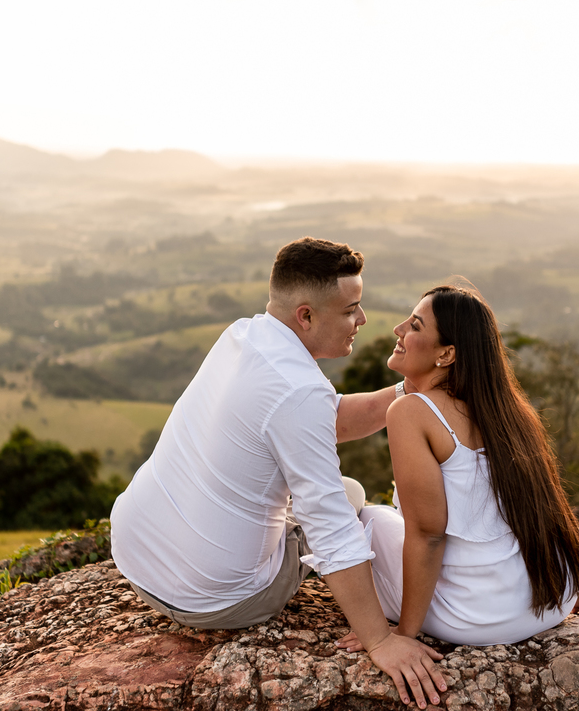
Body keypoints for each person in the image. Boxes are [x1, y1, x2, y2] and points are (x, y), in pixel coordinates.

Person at [111, 237, 446, 709]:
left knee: (334, 490)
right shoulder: (298, 390)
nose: (363, 320)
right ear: (306, 315)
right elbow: (329, 524)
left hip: (136, 555)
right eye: (351, 309)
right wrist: (380, 641)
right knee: (348, 499)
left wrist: (407, 389)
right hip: (216, 600)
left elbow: (323, 418)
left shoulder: (245, 336)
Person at [339, 284, 579, 650]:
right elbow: (550, 507)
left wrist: (402, 636)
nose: (399, 329)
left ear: (447, 354)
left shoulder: (411, 412)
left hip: (476, 618)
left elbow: (428, 535)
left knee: (363, 518)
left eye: (416, 326)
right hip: (551, 601)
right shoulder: (510, 410)